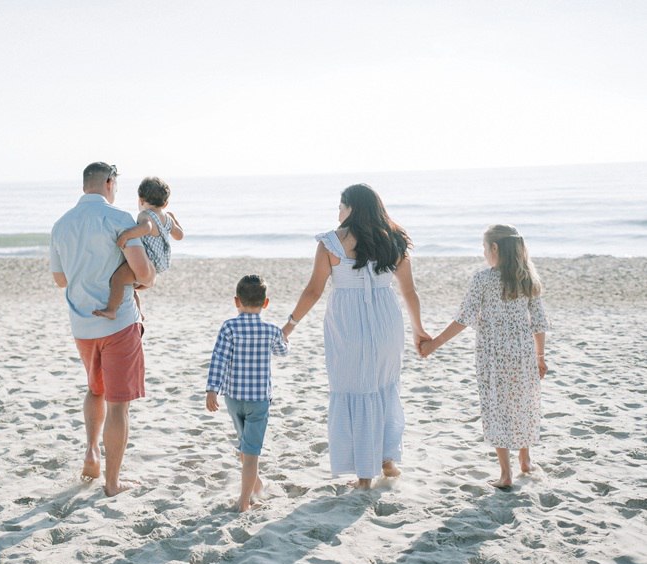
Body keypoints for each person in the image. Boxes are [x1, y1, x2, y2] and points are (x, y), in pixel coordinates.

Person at [282, 184, 429, 490]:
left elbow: (313, 290)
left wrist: (290, 325)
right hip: (386, 323)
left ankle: (364, 476)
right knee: (383, 387)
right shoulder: (394, 240)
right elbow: (409, 292)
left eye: (341, 206)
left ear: (351, 208)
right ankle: (387, 461)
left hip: (347, 325)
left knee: (355, 390)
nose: (338, 212)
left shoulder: (331, 243)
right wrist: (419, 329)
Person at [50, 162, 156, 497]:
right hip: (119, 323)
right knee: (119, 404)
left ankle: (91, 452)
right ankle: (112, 483)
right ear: (109, 182)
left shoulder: (61, 224)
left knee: (95, 390)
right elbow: (144, 274)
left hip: (82, 324)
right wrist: (146, 276)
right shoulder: (119, 219)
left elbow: (60, 279)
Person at [420, 225, 549, 489]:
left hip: (493, 355)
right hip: (523, 353)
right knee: (522, 403)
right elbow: (538, 321)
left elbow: (463, 318)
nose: (483, 252)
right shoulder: (528, 278)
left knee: (497, 407)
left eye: (484, 247)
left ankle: (506, 474)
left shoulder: (483, 279)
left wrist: (434, 344)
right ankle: (525, 460)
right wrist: (540, 355)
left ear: (495, 248)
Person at [205, 275, 289, 512]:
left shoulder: (229, 327)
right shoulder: (271, 330)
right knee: (250, 452)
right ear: (266, 303)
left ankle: (257, 485)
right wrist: (285, 336)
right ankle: (244, 502)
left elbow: (219, 359)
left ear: (237, 301)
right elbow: (283, 351)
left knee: (245, 446)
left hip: (233, 398)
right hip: (259, 400)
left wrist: (212, 389)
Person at [93, 176, 184, 319]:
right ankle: (139, 313)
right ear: (165, 203)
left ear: (141, 200)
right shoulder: (168, 218)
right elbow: (179, 235)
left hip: (147, 261)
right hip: (160, 264)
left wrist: (126, 235)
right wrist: (174, 221)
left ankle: (111, 309)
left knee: (118, 279)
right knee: (131, 288)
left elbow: (147, 227)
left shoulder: (145, 215)